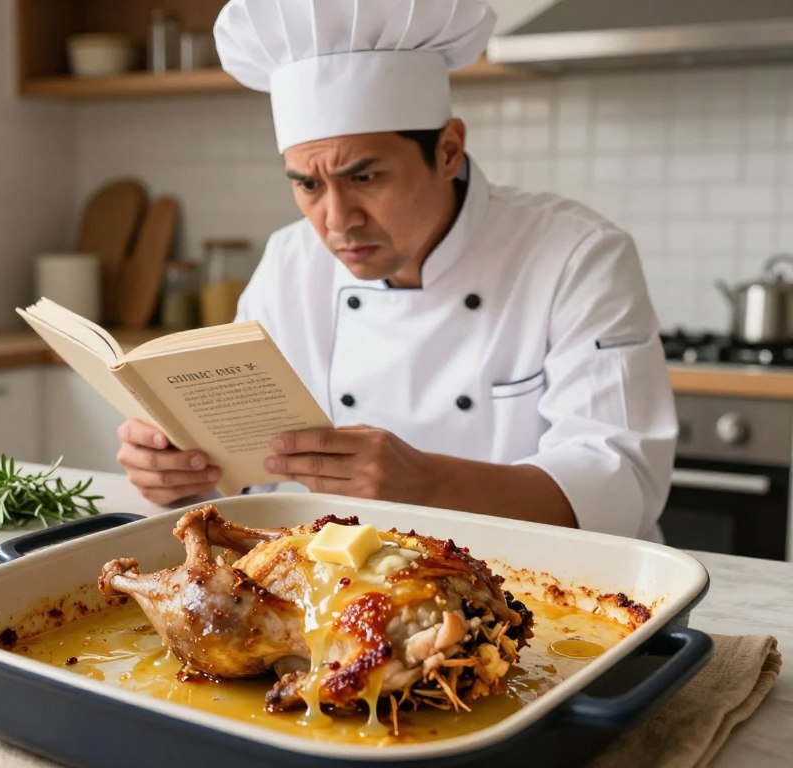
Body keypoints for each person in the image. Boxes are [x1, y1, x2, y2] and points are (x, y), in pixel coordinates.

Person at [117, 0, 677, 541]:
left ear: (449, 150)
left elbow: (621, 486)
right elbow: (250, 476)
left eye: (365, 178)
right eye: (308, 185)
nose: (338, 221)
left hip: (543, 594)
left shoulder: (577, 255)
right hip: (345, 592)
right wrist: (179, 474)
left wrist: (427, 484)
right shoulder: (289, 263)